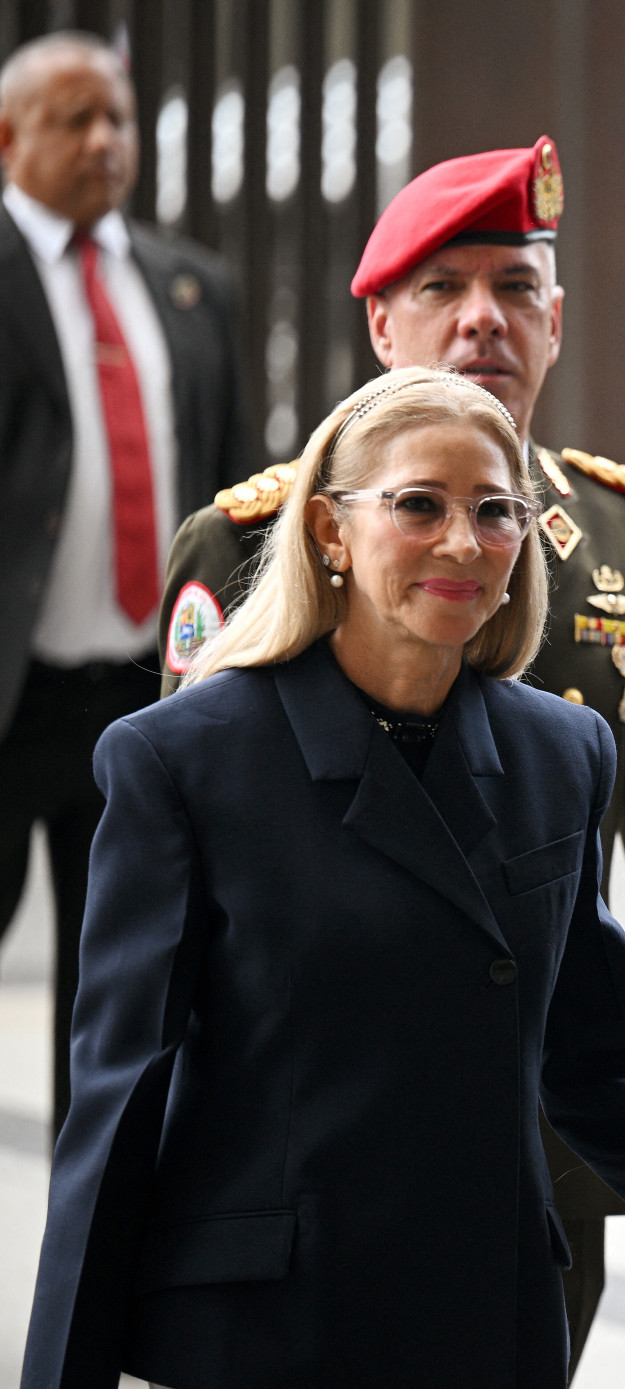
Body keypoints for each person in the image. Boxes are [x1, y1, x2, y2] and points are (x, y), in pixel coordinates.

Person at [20, 368, 625, 1387]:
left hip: (484, 1323)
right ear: (332, 531)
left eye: (497, 512)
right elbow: (117, 1109)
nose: (464, 543)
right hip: (266, 1332)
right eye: (418, 506)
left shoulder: (563, 754)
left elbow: (593, 1067)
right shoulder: (183, 760)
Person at [156, 137, 625, 1374]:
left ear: (558, 319)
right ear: (379, 325)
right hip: (318, 1159)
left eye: (516, 288)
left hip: (543, 1146)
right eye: (443, 290)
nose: (484, 322)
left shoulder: (624, 532)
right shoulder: (257, 535)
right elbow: (189, 902)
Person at [0, 30, 252, 1134]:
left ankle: (85, 1239)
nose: (105, 141)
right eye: (74, 120)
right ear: (9, 138)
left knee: (120, 996)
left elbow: (239, 496)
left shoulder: (193, 285)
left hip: (143, 701)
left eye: (119, 119)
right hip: (13, 697)